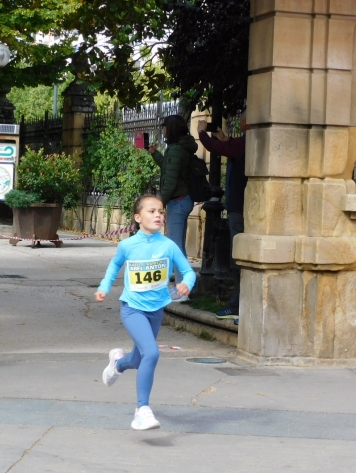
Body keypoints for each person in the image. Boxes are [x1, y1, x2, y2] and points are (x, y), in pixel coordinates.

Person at [95, 194, 196, 430]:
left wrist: (186, 284)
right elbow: (114, 266)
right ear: (138, 217)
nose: (158, 215)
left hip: (156, 310)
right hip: (132, 309)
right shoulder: (128, 245)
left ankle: (118, 364)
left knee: (139, 358)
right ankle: (142, 410)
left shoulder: (169, 245)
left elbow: (189, 272)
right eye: (152, 211)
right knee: (151, 353)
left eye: (161, 211)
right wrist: (103, 288)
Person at [197, 112, 249, 324]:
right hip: (243, 206)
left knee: (239, 258)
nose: (241, 121)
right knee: (240, 257)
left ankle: (238, 305)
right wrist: (224, 138)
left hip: (239, 208)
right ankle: (238, 303)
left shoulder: (246, 142)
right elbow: (229, 146)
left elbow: (218, 149)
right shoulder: (249, 142)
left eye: (243, 118)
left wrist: (202, 132)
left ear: (248, 122)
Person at [149, 115, 198, 257]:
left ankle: (183, 278)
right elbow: (169, 167)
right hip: (183, 199)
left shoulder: (176, 149)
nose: (163, 130)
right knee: (177, 243)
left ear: (170, 129)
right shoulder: (180, 148)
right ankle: (180, 275)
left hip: (178, 201)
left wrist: (159, 204)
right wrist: (155, 154)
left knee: (175, 245)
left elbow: (170, 180)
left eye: (164, 127)